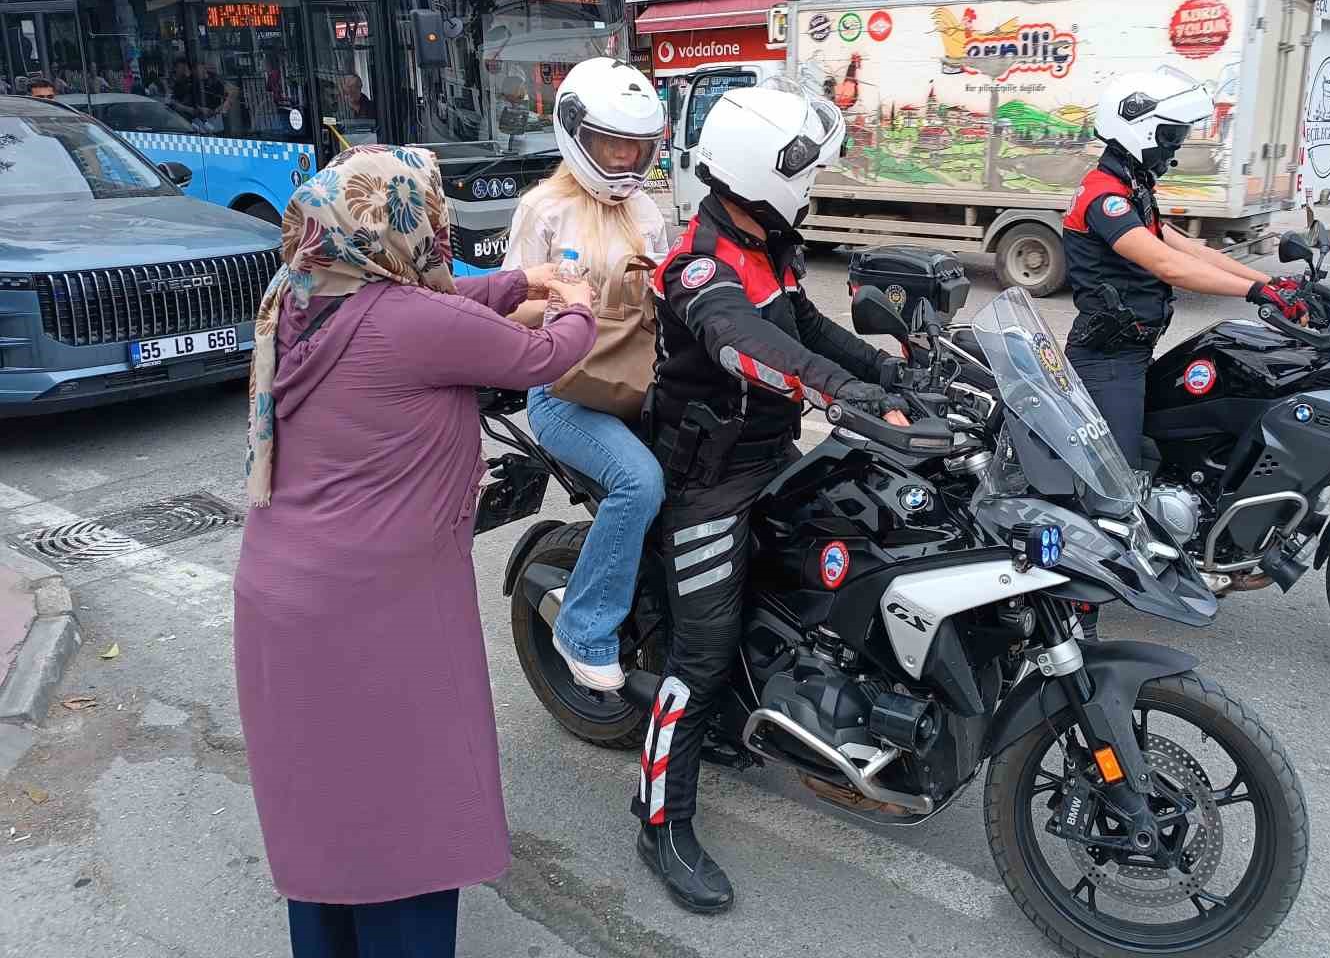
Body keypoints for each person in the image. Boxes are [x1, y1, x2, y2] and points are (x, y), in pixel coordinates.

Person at [233, 143, 597, 958]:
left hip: (280, 594)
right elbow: (546, 355)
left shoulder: (303, 290)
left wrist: (513, 284)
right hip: (375, 606)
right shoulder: (411, 323)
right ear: (399, 228)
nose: (435, 229)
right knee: (409, 808)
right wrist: (573, 298)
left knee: (324, 807)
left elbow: (446, 302)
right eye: (426, 215)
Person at [633, 81, 909, 913]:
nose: (814, 187)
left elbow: (804, 328)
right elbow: (742, 341)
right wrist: (834, 390)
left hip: (770, 454)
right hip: (707, 483)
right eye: (806, 171)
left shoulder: (770, 244)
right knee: (700, 656)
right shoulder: (699, 266)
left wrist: (888, 371)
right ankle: (659, 822)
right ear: (763, 171)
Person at [501, 57, 669, 691]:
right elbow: (511, 305)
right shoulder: (544, 210)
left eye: (636, 147)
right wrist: (570, 301)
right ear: (576, 134)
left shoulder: (646, 212)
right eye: (611, 145)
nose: (625, 160)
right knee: (639, 484)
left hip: (637, 382)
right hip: (565, 390)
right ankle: (583, 628)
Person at [1062, 66, 1307, 468]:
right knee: (1115, 480)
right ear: (1139, 130)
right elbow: (1168, 265)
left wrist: (1272, 282)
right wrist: (1254, 293)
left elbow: (1191, 250)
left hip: (1134, 350)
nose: (1174, 147)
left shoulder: (1132, 188)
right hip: (1108, 360)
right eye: (1170, 136)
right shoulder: (1103, 197)